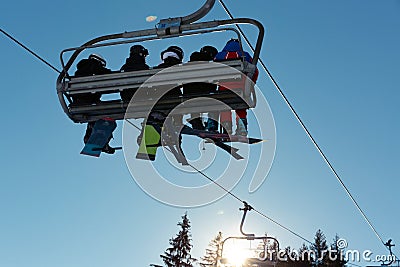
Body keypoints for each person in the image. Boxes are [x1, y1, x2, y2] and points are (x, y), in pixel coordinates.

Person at [214, 39, 259, 135]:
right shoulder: (245, 55)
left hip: (223, 88)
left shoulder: (219, 56)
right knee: (240, 105)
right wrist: (250, 85)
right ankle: (242, 128)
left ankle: (227, 127)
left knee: (224, 106)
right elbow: (254, 71)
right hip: (240, 87)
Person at [74, 54, 115, 154]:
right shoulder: (95, 67)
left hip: (78, 101)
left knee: (95, 116)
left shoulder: (80, 69)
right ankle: (102, 141)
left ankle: (90, 136)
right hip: (89, 99)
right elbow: (109, 76)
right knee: (108, 117)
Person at [183, 46, 218, 130]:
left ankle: (196, 121)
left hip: (188, 97)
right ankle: (211, 124)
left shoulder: (188, 65)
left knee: (193, 96)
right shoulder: (210, 66)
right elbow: (213, 82)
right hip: (204, 95)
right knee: (217, 102)